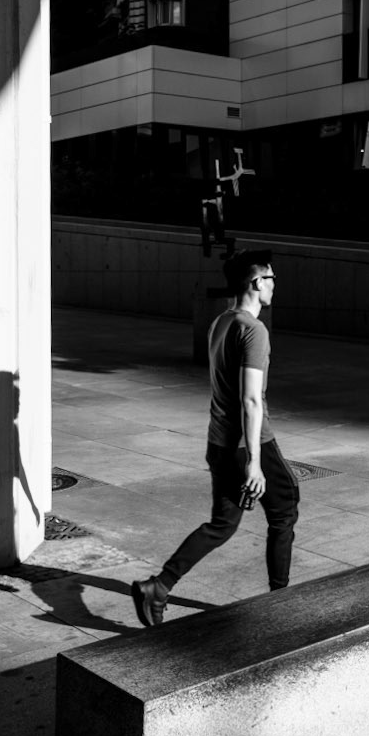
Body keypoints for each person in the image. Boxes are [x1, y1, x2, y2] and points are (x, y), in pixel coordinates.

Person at [132, 248, 299, 628]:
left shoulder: (221, 322)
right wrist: (255, 462)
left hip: (219, 442)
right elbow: (251, 399)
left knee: (222, 523)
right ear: (257, 283)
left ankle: (158, 586)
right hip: (247, 444)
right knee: (284, 508)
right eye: (271, 278)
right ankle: (282, 600)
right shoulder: (253, 330)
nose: (276, 285)